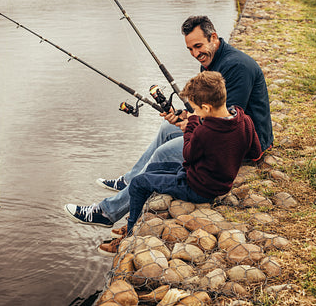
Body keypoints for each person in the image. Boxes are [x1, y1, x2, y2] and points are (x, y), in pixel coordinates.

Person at [64, 15, 273, 228]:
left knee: (163, 154)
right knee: (166, 127)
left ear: (214, 37)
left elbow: (224, 123)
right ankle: (130, 180)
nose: (195, 54)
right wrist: (184, 115)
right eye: (190, 49)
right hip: (223, 131)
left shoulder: (236, 67)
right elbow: (210, 108)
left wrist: (191, 125)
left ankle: (107, 212)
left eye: (198, 46)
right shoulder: (212, 60)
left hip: (237, 144)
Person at [99, 71, 262, 254]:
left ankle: (129, 237)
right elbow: (255, 152)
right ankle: (137, 218)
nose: (195, 113)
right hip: (217, 180)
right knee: (153, 168)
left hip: (199, 188)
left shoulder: (205, 131)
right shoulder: (243, 119)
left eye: (196, 109)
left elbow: (188, 154)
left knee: (138, 182)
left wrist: (192, 124)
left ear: (206, 108)